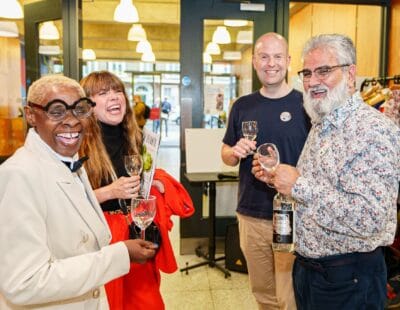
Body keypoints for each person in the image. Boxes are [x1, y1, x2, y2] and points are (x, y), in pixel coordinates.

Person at [253, 34, 400, 309]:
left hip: (349, 280)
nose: (312, 81)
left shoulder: (373, 130)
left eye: (324, 71)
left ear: (350, 73)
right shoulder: (322, 123)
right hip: (310, 272)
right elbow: (317, 188)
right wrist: (278, 179)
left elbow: (371, 218)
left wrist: (298, 186)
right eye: (307, 73)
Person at [0, 75, 156, 310]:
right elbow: (24, 282)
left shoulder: (69, 160)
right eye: (57, 111)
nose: (72, 121)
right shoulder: (18, 175)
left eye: (79, 110)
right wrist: (119, 254)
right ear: (31, 115)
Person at [79, 71, 194, 310]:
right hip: (98, 239)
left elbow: (140, 179)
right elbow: (64, 201)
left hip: (134, 231)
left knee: (145, 301)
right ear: (88, 105)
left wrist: (153, 182)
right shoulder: (77, 144)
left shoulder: (136, 137)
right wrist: (109, 192)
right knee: (108, 302)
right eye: (103, 93)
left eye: (117, 91)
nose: (114, 97)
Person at [221, 32, 310, 310]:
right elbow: (226, 156)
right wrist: (234, 152)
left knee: (288, 296)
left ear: (288, 61)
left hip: (293, 212)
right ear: (254, 61)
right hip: (251, 213)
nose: (270, 63)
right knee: (263, 294)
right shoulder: (242, 106)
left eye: (277, 56)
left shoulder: (306, 105)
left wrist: (286, 172)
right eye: (264, 56)